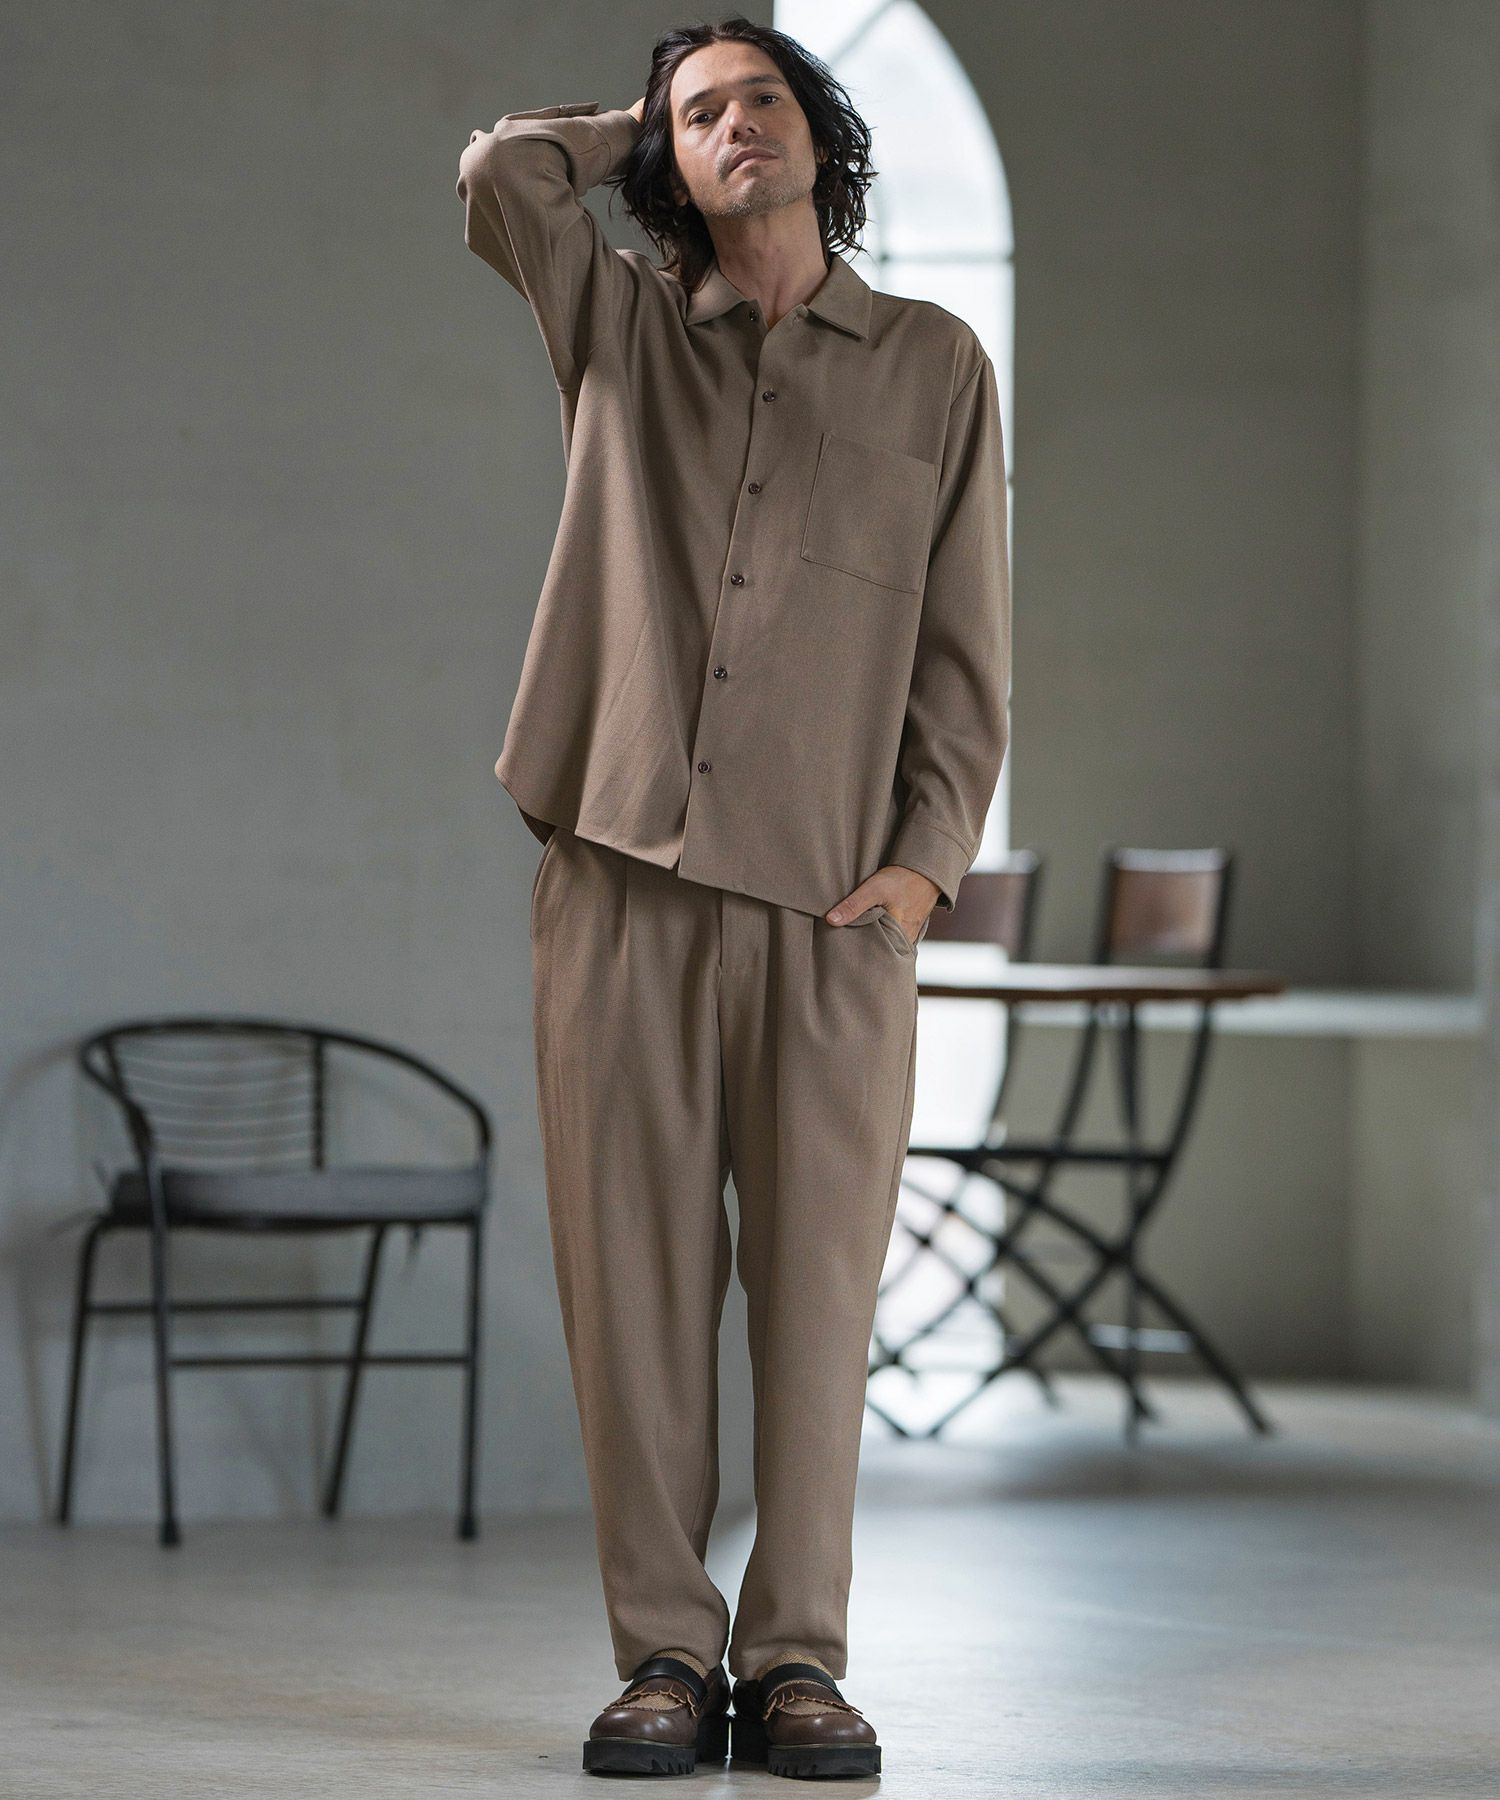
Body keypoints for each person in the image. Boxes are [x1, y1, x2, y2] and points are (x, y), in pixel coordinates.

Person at [455, 12, 1010, 1780]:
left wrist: (921, 867)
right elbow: (499, 176)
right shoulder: (614, 324)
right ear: (663, 156)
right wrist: (636, 115)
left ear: (820, 132)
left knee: (820, 1305)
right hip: (619, 881)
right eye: (698, 113)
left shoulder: (935, 365)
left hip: (836, 907)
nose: (732, 124)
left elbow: (965, 644)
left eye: (763, 97)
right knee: (632, 1299)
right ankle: (661, 1660)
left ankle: (797, 1665)